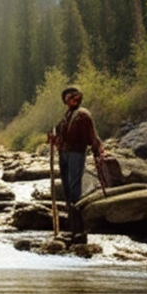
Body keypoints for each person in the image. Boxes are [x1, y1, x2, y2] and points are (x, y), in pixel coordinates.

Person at [50, 86, 104, 245]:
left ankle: (80, 232)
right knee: (67, 189)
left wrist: (98, 152)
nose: (73, 99)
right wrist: (53, 137)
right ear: (65, 101)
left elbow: (92, 136)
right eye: (69, 97)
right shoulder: (66, 116)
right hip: (64, 154)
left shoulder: (83, 115)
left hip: (76, 154)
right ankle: (72, 230)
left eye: (75, 96)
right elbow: (58, 133)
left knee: (74, 190)